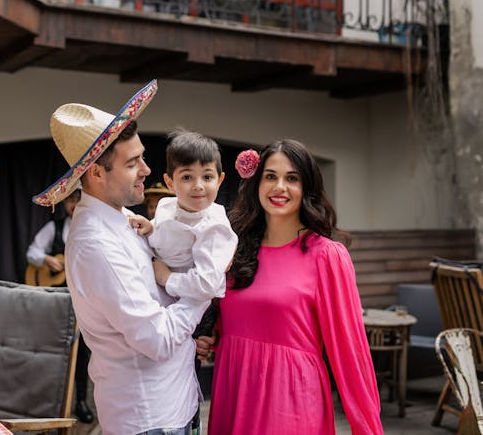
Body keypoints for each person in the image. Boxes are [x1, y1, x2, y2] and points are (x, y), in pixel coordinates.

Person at [33, 80, 209, 435]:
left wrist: (189, 335)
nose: (146, 169)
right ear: (97, 172)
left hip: (176, 402)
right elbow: (157, 339)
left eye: (142, 156)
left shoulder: (125, 220)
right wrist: (203, 286)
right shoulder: (96, 245)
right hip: (152, 419)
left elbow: (158, 302)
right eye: (133, 163)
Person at [198, 140, 383, 434]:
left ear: (306, 188)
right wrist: (209, 339)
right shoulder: (235, 248)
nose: (279, 187)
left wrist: (368, 428)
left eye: (292, 178)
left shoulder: (326, 255)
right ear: (257, 182)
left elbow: (351, 354)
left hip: (290, 399)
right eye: (270, 176)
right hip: (233, 391)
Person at [132, 130, 238, 341]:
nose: (198, 185)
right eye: (187, 177)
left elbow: (207, 285)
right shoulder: (167, 206)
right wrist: (151, 228)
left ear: (220, 180)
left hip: (195, 306)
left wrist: (166, 278)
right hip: (166, 297)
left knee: (181, 360)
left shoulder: (215, 227)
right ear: (170, 183)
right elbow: (167, 231)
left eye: (207, 176)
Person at [25, 187, 94, 424]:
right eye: (71, 200)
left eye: (78, 199)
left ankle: (81, 402)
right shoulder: (54, 228)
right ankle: (49, 403)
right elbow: (32, 251)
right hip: (56, 303)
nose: (74, 204)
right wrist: (46, 259)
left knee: (83, 353)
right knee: (52, 349)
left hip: (83, 304)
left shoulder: (93, 230)